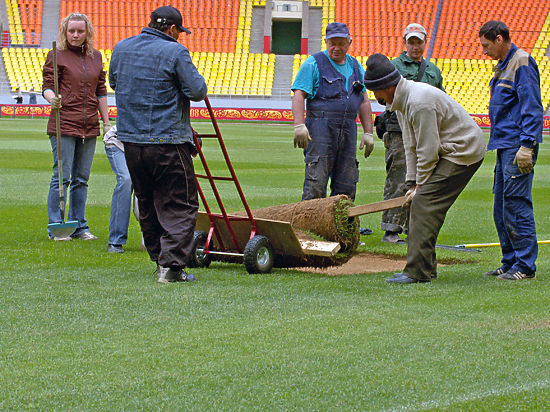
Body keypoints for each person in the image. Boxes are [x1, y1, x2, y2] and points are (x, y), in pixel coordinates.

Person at [363, 54, 486, 284]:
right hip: (448, 149)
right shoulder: (400, 101)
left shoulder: (419, 102)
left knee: (424, 203)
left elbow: (428, 150)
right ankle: (425, 269)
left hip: (463, 150)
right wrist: (412, 183)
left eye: (375, 92)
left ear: (386, 87)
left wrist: (420, 186)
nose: (375, 97)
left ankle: (417, 272)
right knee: (420, 200)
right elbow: (410, 145)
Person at [109, 5, 207, 283]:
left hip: (131, 140)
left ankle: (159, 259)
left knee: (147, 200)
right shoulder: (176, 51)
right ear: (173, 29)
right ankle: (172, 266)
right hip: (167, 140)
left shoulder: (122, 48)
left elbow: (114, 82)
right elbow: (197, 90)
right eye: (180, 32)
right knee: (179, 203)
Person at [479, 21, 543, 280]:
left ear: (499, 39)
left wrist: (527, 145)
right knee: (501, 208)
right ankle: (510, 261)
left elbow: (532, 106)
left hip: (517, 146)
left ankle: (525, 266)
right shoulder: (503, 65)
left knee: (516, 206)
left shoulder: (522, 63)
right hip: (504, 145)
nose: (483, 51)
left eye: (486, 45)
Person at [42, 12, 111, 241]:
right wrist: (52, 98)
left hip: (89, 125)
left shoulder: (96, 57)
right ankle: (57, 226)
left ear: (87, 32)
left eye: (80, 31)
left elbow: (100, 91)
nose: (75, 35)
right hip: (64, 123)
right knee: (61, 177)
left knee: (81, 179)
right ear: (64, 31)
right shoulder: (56, 55)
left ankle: (79, 226)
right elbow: (47, 86)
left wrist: (107, 122)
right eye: (71, 30)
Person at [377, 23, 444, 244]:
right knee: (398, 178)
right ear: (404, 43)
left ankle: (414, 228)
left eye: (419, 42)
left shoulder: (433, 71)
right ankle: (391, 229)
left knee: (424, 178)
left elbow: (441, 100)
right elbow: (382, 98)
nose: (415, 46)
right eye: (411, 42)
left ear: (425, 43)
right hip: (398, 129)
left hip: (426, 130)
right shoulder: (393, 66)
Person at [291, 22, 373, 202]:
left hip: (348, 130)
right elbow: (299, 94)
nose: (336, 47)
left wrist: (368, 132)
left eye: (341, 43)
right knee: (316, 182)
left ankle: (341, 228)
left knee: (347, 184)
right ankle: (309, 227)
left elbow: (364, 101)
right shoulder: (313, 63)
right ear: (325, 42)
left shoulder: (357, 66)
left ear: (349, 42)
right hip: (320, 130)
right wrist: (299, 125)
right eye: (332, 43)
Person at [103, 125, 132, 253]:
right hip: (117, 142)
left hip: (142, 144)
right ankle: (115, 240)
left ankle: (151, 239)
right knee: (126, 180)